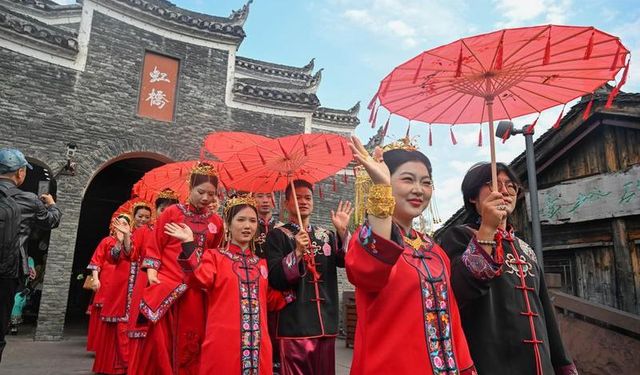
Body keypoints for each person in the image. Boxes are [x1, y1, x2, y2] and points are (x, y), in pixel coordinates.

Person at [345, 137, 476, 374]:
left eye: (426, 182)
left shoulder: (435, 251)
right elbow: (370, 273)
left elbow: (452, 318)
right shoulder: (365, 240)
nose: (418, 189)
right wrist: (381, 189)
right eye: (407, 179)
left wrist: (465, 366)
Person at [439, 162, 578, 375]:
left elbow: (545, 314)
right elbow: (462, 289)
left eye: (511, 186)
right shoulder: (460, 237)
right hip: (490, 363)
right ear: (472, 196)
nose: (504, 191)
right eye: (493, 184)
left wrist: (562, 364)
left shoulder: (525, 249)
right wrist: (487, 229)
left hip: (540, 365)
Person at [165, 194, 288, 374]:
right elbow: (200, 277)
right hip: (223, 344)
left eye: (253, 221)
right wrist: (188, 244)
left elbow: (271, 299)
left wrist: (297, 267)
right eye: (241, 220)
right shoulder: (215, 257)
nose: (247, 226)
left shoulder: (261, 264)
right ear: (228, 224)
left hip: (259, 345)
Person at [132, 162, 224, 375]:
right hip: (168, 284)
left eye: (211, 194)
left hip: (197, 289)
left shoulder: (216, 222)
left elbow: (214, 253)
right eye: (200, 192)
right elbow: (155, 244)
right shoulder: (172, 212)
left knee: (192, 340)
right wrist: (152, 271)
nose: (205, 198)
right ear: (189, 188)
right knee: (162, 340)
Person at [265, 180, 352, 375]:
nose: (303, 201)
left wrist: (342, 231)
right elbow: (276, 278)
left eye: (308, 198)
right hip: (295, 324)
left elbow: (347, 262)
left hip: (325, 323)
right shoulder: (277, 236)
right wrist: (296, 252)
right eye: (298, 198)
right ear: (287, 204)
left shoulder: (326, 235)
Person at [0, 148, 61, 362]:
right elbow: (52, 221)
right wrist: (52, 205)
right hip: (7, 273)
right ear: (20, 173)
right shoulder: (28, 200)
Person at [126, 190, 179, 375]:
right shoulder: (144, 231)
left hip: (171, 284)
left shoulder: (177, 232)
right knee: (144, 327)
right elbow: (131, 254)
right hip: (147, 280)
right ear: (156, 211)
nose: (167, 212)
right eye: (163, 209)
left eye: (171, 208)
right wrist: (126, 236)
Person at [87, 213, 133, 374]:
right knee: (105, 315)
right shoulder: (107, 241)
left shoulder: (132, 240)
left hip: (123, 280)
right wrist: (95, 278)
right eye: (118, 223)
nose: (120, 225)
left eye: (125, 222)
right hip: (107, 277)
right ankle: (101, 348)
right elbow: (96, 260)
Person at [253, 191, 283, 373]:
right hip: (255, 287)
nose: (265, 200)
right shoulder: (247, 225)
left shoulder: (282, 229)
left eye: (268, 196)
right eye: (259, 196)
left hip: (278, 288)